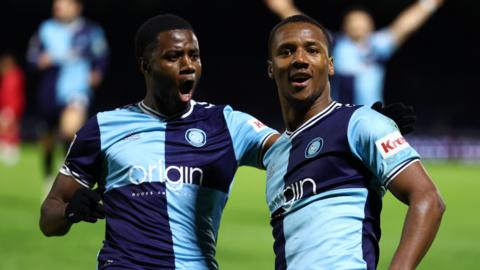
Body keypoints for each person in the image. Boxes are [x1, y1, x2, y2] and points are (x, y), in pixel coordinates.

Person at [39, 14, 415, 270]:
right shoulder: (103, 127)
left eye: (194, 56)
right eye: (173, 57)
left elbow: (294, 148)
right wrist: (71, 210)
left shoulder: (226, 123)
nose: (188, 65)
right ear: (145, 65)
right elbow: (49, 217)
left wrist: (356, 129)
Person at [264, 14, 445, 269]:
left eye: (312, 50)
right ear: (271, 68)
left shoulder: (360, 124)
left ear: (329, 65)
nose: (300, 59)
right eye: (287, 51)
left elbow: (428, 198)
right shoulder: (276, 155)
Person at [265, 0, 444, 106]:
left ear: (371, 25)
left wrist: (428, 4)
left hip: (372, 117)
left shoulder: (378, 45)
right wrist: (283, 8)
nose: (358, 24)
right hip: (340, 116)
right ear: (345, 25)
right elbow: (305, 25)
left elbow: (404, 26)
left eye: (362, 21)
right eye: (353, 21)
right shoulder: (334, 43)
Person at [26, 0, 109, 192]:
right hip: (48, 93)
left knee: (70, 131)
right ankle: (48, 178)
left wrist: (97, 73)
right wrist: (40, 61)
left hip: (76, 91)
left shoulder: (90, 31)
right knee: (46, 140)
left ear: (77, 7)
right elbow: (31, 57)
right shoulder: (46, 29)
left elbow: (102, 56)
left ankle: (67, 179)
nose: (58, 8)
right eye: (56, 5)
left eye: (63, 4)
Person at [0, 53, 25, 165]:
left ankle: (11, 149)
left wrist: (11, 109)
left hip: (12, 107)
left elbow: (14, 95)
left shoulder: (14, 77)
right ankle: (8, 147)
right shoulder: (8, 77)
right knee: (7, 127)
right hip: (8, 106)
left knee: (9, 127)